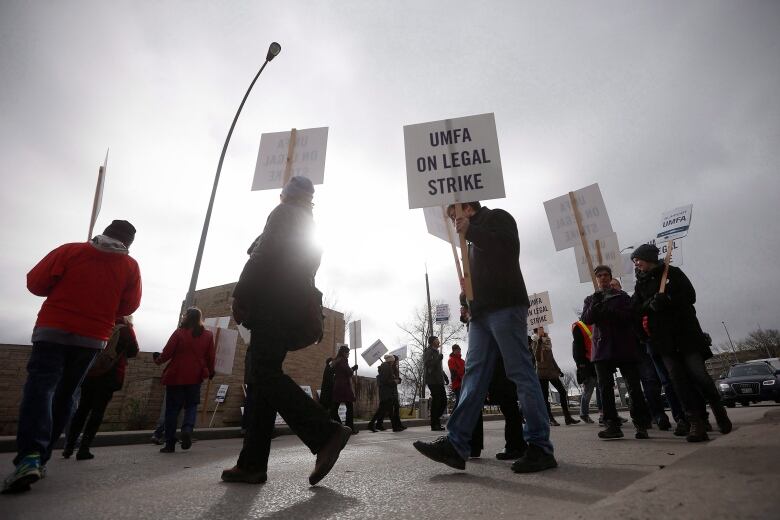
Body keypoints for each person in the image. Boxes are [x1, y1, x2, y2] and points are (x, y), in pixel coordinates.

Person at [223, 176, 352, 486]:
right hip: (290, 309)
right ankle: (252, 463)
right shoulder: (309, 223)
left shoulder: (283, 214)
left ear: (285, 195)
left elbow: (263, 256)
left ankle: (325, 432)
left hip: (272, 306)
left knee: (263, 373)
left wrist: (240, 294)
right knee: (261, 381)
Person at [413, 201, 556, 474]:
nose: (454, 222)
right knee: (474, 376)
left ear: (467, 207)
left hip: (505, 306)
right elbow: (481, 275)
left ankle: (540, 446)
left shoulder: (497, 218)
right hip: (480, 315)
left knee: (520, 373)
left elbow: (506, 250)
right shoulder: (468, 241)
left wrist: (472, 232)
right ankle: (456, 444)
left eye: (455, 214)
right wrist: (466, 298)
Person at [3, 220, 142, 494]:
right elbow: (129, 306)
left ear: (104, 232)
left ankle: (30, 456)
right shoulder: (130, 267)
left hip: (53, 329)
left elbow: (36, 282)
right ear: (128, 243)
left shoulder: (70, 251)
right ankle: (41, 458)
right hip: (92, 338)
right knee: (67, 393)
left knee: (41, 388)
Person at [631, 244, 732, 442]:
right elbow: (636, 309)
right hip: (663, 341)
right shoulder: (640, 284)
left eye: (638, 259)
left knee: (699, 375)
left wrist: (667, 298)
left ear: (649, 258)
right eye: (634, 261)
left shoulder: (673, 273)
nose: (636, 263)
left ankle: (719, 411)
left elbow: (690, 296)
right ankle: (695, 422)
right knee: (677, 380)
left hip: (686, 336)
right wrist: (650, 303)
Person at [582, 265, 652, 440]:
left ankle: (640, 424)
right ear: (596, 279)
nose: (603, 278)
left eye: (606, 275)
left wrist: (612, 311)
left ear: (610, 277)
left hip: (623, 345)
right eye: (600, 276)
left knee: (633, 386)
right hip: (602, 347)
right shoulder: (591, 299)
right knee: (605, 387)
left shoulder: (622, 297)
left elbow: (631, 315)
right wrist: (596, 305)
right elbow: (586, 320)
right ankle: (611, 424)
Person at [63, 316, 139, 460]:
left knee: (82, 409)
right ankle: (84, 448)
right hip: (110, 373)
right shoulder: (126, 329)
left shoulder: (101, 320)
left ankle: (69, 446)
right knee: (97, 411)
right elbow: (134, 350)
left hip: (90, 372)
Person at [154, 307, 215, 453]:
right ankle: (187, 429)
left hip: (176, 375)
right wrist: (211, 371)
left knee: (172, 410)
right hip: (195, 375)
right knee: (191, 405)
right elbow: (210, 356)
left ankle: (169, 443)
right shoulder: (207, 335)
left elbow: (167, 353)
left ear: (186, 317)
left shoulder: (179, 333)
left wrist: (158, 360)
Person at [531, 328, 580, 426]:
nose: (544, 331)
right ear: (537, 331)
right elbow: (537, 357)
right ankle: (550, 418)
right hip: (541, 373)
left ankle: (567, 417)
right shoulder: (535, 341)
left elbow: (551, 358)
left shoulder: (547, 341)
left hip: (552, 371)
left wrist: (558, 369)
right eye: (541, 329)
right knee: (545, 397)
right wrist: (540, 343)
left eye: (543, 329)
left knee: (562, 391)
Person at [572, 319, 601, 424]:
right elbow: (577, 349)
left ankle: (604, 413)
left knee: (600, 388)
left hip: (595, 361)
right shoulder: (579, 327)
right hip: (587, 364)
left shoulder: (592, 325)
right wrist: (581, 366)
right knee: (589, 389)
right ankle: (584, 414)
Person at [330, 345, 359, 434]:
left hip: (337, 385)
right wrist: (353, 368)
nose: (348, 354)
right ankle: (349, 428)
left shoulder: (336, 361)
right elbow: (348, 372)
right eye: (347, 353)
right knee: (349, 407)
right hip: (344, 386)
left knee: (334, 408)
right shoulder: (343, 360)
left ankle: (339, 426)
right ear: (343, 353)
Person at [423, 336, 449, 431]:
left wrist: (445, 377)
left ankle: (435, 421)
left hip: (439, 380)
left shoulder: (436, 352)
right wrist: (438, 359)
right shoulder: (429, 351)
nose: (439, 341)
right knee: (437, 401)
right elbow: (428, 364)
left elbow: (438, 368)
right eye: (437, 340)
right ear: (432, 342)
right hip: (432, 380)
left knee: (443, 401)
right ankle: (435, 424)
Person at [368, 355, 397, 432]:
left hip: (385, 392)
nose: (394, 362)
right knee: (384, 410)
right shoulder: (386, 367)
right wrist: (394, 381)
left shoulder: (385, 367)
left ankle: (394, 426)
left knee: (387, 410)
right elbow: (385, 380)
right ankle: (371, 424)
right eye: (393, 361)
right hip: (386, 392)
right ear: (390, 361)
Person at [389, 355, 407, 431]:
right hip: (390, 391)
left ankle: (398, 424)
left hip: (394, 390)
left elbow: (397, 379)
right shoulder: (390, 368)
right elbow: (389, 379)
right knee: (392, 409)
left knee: (396, 408)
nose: (397, 362)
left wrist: (398, 380)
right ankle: (395, 426)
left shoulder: (395, 368)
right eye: (397, 360)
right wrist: (395, 380)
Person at [448, 344, 465, 409]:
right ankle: (452, 417)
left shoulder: (463, 361)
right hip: (457, 384)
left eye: (459, 349)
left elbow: (466, 370)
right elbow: (454, 372)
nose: (459, 351)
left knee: (462, 401)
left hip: (464, 383)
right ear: (453, 351)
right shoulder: (451, 360)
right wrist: (462, 378)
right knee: (459, 401)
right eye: (457, 349)